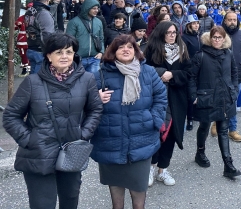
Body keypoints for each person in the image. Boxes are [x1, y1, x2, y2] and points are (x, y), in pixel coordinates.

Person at [3, 32, 103, 209]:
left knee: (70, 200)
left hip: (72, 150)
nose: (64, 56)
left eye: (69, 52)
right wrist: (29, 139)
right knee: (43, 204)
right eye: (58, 52)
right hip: (39, 153)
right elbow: (11, 115)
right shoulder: (33, 82)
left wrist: (83, 133)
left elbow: (95, 109)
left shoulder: (87, 79)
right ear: (49, 56)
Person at [92, 35, 167, 209]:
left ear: (136, 51)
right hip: (110, 140)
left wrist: (153, 120)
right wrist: (95, 99)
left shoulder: (147, 72)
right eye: (120, 47)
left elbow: (161, 97)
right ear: (113, 51)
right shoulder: (100, 75)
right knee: (116, 194)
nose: (126, 50)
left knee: (138, 193)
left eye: (130, 47)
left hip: (141, 140)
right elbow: (85, 103)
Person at [144, 21, 194, 187]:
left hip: (177, 99)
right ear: (161, 33)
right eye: (169, 32)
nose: (172, 35)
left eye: (174, 32)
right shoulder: (151, 49)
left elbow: (188, 73)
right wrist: (161, 73)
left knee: (171, 135)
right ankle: (150, 167)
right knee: (156, 133)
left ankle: (162, 170)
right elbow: (144, 70)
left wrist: (172, 74)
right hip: (156, 98)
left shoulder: (182, 49)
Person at [192, 25, 241, 178]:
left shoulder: (228, 54)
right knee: (204, 126)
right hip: (207, 96)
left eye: (220, 37)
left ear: (224, 39)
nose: (217, 40)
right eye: (215, 37)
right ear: (210, 38)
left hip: (225, 97)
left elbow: (234, 73)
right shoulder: (201, 55)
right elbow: (192, 77)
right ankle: (200, 153)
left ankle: (228, 164)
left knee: (223, 130)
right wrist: (193, 95)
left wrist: (233, 89)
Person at [222, 10, 241, 142]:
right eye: (230, 20)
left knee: (232, 101)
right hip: (221, 75)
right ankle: (216, 123)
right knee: (221, 100)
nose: (232, 22)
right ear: (225, 21)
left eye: (234, 20)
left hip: (238, 75)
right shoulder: (219, 34)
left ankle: (232, 129)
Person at [66, 0, 104, 73]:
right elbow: (68, 40)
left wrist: (101, 52)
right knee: (78, 82)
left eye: (97, 8)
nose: (96, 10)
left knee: (94, 81)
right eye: (94, 8)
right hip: (78, 59)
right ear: (87, 8)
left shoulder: (98, 22)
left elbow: (101, 38)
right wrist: (72, 55)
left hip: (94, 58)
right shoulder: (74, 22)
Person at [24, 0, 56, 74]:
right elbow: (47, 34)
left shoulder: (29, 11)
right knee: (39, 80)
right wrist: (50, 50)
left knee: (33, 78)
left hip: (31, 47)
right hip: (40, 50)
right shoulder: (43, 13)